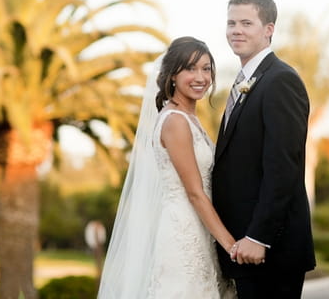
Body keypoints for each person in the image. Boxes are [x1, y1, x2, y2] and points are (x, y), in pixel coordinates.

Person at [98, 37, 237, 298]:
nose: (201, 77)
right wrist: (231, 245)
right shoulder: (175, 122)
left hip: (200, 230)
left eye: (206, 69)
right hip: (183, 235)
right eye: (191, 68)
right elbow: (195, 193)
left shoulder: (189, 119)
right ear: (172, 75)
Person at [212, 0, 316, 298]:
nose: (236, 31)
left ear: (268, 29)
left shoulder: (280, 81)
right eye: (231, 23)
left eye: (246, 23)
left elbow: (283, 167)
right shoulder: (247, 80)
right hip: (243, 249)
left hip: (270, 251)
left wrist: (259, 237)